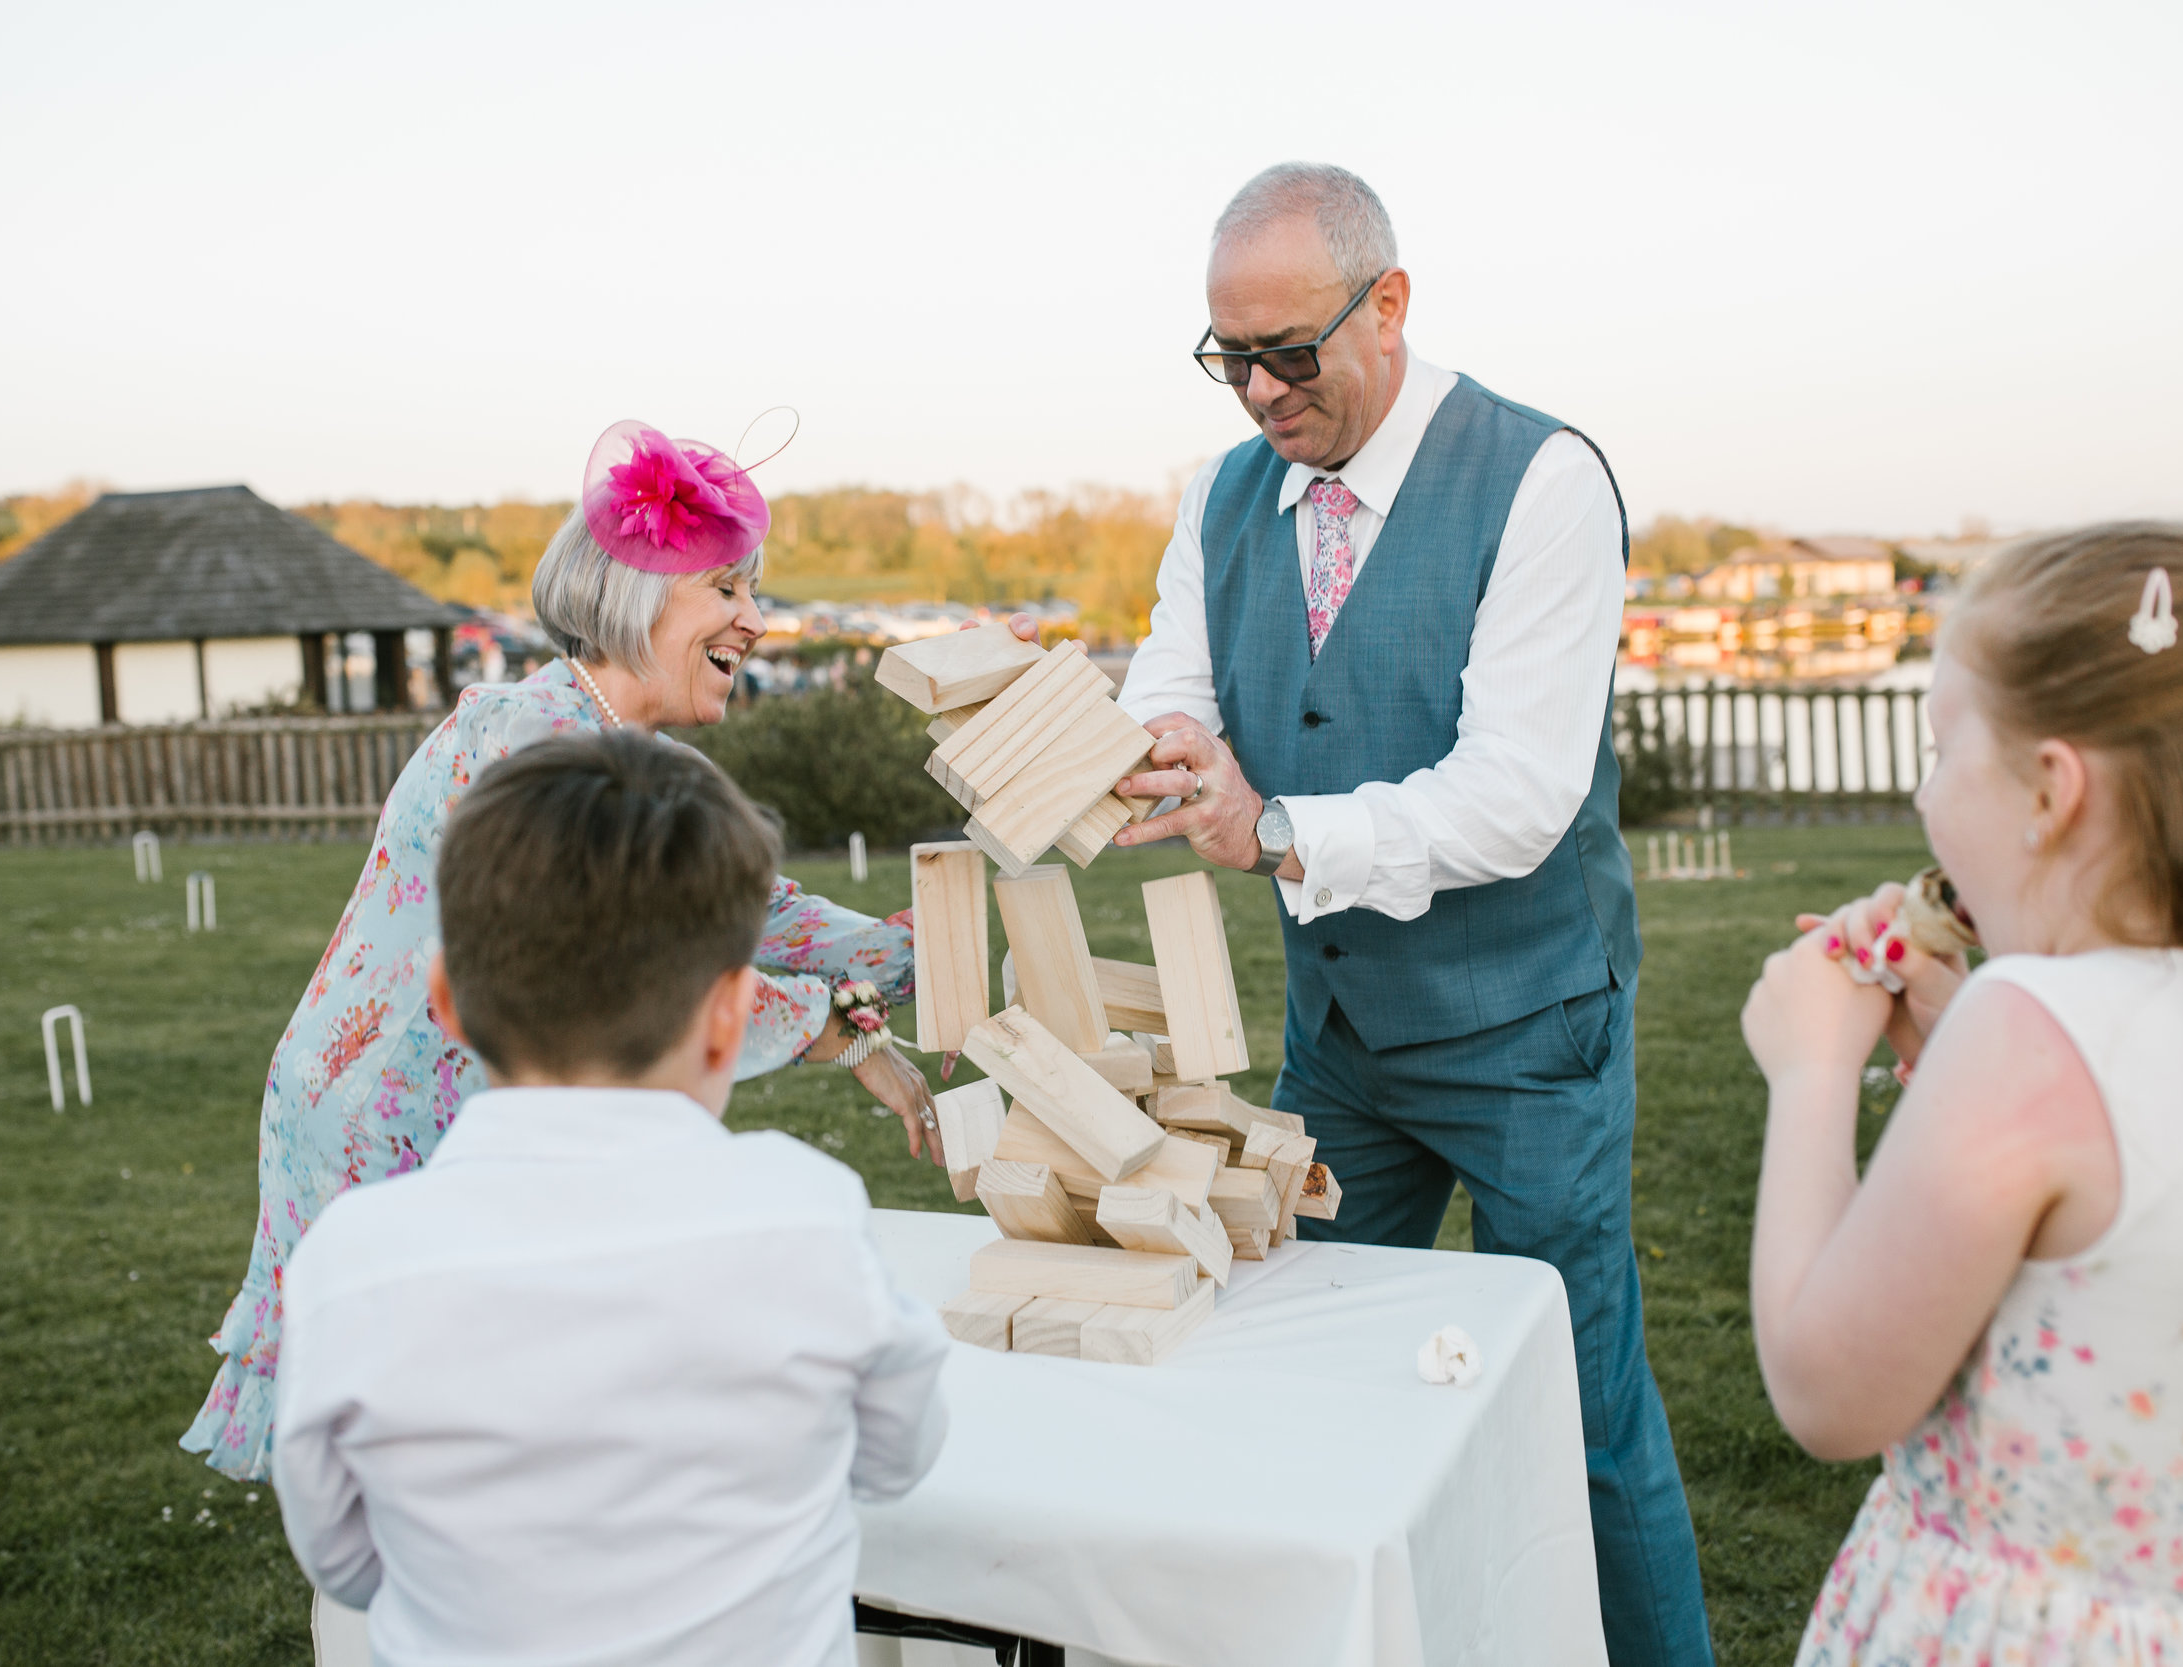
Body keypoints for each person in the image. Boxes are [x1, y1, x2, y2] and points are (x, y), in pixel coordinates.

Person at [1113, 162, 1711, 1664]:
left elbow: (1515, 792)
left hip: (1529, 1033)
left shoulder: (1544, 479)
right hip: (1341, 1039)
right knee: (1302, 1369)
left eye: (1286, 353)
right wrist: (1156, 742)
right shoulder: (1220, 493)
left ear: (1388, 304)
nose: (1255, 391)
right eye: (1225, 355)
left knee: (1573, 1407)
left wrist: (1278, 829)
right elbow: (1175, 676)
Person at [185, 419, 945, 1482]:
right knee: (426, 1438)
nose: (755, 621)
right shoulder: (532, 741)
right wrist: (843, 1027)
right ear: (637, 596)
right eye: (726, 588)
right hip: (389, 1114)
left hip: (472, 1107)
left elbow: (750, 903)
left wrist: (913, 950)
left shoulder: (624, 750)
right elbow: (643, 965)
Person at [1745, 525, 2183, 1661]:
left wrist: (1812, 1065)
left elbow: (1827, 1391)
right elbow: (2133, 1209)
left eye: (1941, 749)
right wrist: (1941, 1045)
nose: (1926, 793)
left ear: (2050, 788)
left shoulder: (2025, 1028)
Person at [272, 730, 949, 1666]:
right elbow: (896, 1457)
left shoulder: (349, 1267)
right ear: (729, 1017)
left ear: (447, 1000)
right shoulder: (809, 1220)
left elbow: (348, 1563)